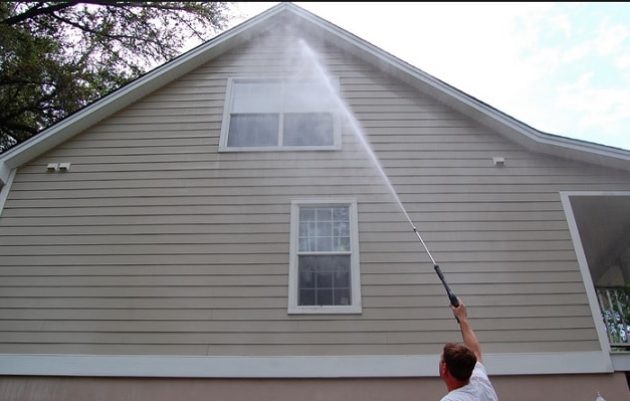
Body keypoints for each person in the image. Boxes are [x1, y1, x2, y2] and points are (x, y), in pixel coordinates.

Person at [439, 301, 498, 401]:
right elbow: (475, 351)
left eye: (441, 360)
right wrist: (462, 318)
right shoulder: (481, 383)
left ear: (444, 368)